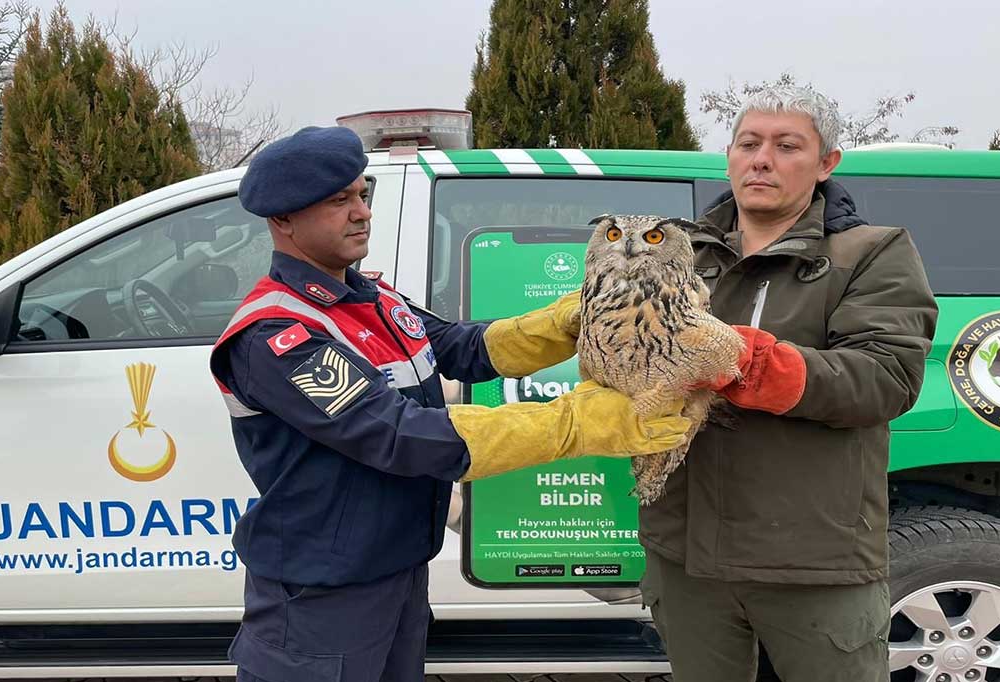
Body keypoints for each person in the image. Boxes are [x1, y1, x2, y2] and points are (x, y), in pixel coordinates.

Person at [209, 125, 691, 682]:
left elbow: (459, 347)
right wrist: (574, 425)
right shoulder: (277, 332)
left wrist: (567, 322)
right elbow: (400, 436)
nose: (362, 212)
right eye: (339, 202)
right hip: (321, 595)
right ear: (284, 219)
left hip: (395, 571)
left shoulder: (371, 297)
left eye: (362, 194)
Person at [636, 85, 939, 682]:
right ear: (729, 155)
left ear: (826, 163)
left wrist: (753, 365)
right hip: (685, 552)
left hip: (813, 559)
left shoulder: (871, 252)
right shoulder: (678, 254)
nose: (762, 160)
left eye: (787, 146)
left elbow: (886, 376)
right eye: (748, 144)